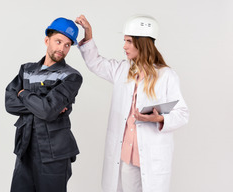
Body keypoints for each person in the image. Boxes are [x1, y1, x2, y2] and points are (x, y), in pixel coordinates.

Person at [76, 15, 189, 192]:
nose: (124, 46)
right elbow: (96, 63)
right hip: (127, 157)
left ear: (142, 43)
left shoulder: (166, 75)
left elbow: (182, 114)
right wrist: (89, 35)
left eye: (129, 41)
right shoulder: (122, 70)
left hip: (152, 156)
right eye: (124, 40)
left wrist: (159, 118)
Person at [5, 17, 83, 192]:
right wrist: (44, 104)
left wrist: (23, 93)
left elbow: (48, 112)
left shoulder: (71, 76)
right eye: (58, 41)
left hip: (54, 155)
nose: (62, 48)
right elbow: (10, 104)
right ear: (47, 40)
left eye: (67, 45)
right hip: (25, 150)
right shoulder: (26, 70)